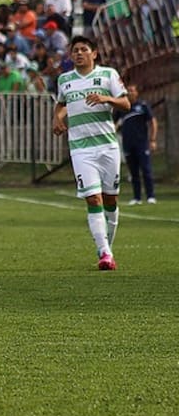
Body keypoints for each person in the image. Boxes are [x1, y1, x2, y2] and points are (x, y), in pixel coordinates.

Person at [52, 36, 130, 271]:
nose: (79, 53)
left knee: (110, 200)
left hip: (107, 146)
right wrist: (57, 119)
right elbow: (61, 104)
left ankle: (107, 248)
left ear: (94, 53)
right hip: (80, 148)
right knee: (93, 199)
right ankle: (104, 252)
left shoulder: (108, 75)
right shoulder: (65, 80)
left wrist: (106, 98)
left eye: (84, 49)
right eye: (75, 50)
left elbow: (126, 103)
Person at [116, 83, 158, 205]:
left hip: (141, 143)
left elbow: (153, 121)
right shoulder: (122, 108)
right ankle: (137, 197)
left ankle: (150, 196)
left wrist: (153, 139)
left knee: (146, 170)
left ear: (137, 92)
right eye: (128, 90)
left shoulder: (142, 106)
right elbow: (115, 124)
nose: (130, 93)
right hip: (128, 144)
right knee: (133, 172)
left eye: (132, 90)